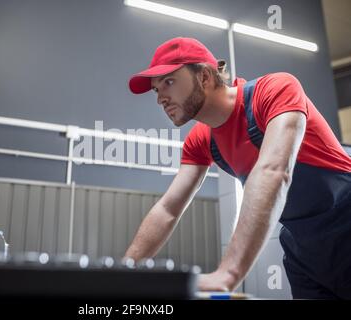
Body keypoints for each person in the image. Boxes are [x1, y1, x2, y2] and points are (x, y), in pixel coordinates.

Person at [124, 37, 351, 299]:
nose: (160, 98)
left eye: (169, 82)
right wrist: (125, 273)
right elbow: (168, 209)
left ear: (205, 77)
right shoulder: (201, 140)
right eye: (156, 90)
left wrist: (228, 273)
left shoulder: (274, 90)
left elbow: (274, 170)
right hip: (304, 250)